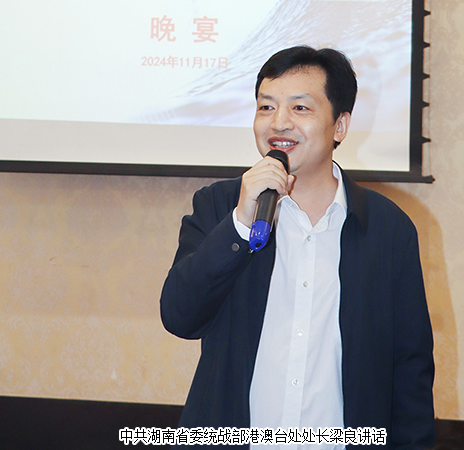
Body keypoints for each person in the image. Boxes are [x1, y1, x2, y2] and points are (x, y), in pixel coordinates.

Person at [160, 46, 435, 449]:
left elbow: (411, 368)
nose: (279, 123)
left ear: (340, 125)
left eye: (300, 108)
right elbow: (180, 317)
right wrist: (240, 224)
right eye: (266, 107)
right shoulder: (220, 207)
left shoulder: (387, 229)